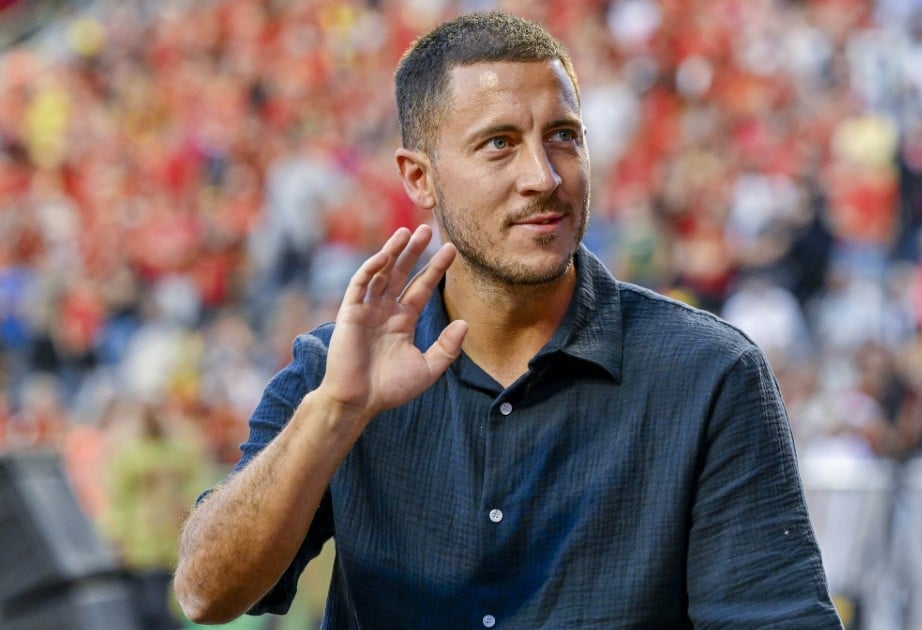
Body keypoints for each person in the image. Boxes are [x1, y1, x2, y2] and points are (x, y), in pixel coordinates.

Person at [173, 11, 841, 628]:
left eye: (563, 137)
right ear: (419, 179)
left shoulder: (708, 374)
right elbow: (206, 593)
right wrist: (335, 414)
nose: (544, 177)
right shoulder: (339, 372)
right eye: (499, 144)